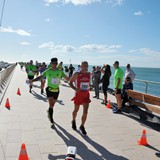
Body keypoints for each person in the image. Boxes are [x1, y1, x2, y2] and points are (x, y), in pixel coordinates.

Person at [30, 58, 69, 127]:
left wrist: (75, 80)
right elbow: (41, 77)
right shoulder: (48, 71)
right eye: (53, 63)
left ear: (57, 64)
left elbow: (67, 78)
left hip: (56, 90)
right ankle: (51, 121)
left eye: (56, 63)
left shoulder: (60, 71)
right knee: (51, 105)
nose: (54, 65)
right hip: (49, 90)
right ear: (51, 64)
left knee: (52, 106)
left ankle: (49, 112)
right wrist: (33, 80)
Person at [69, 61, 91, 135]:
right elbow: (70, 82)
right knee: (76, 110)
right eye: (84, 66)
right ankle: (73, 120)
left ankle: (82, 126)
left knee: (85, 112)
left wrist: (89, 87)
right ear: (81, 66)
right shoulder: (77, 74)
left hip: (86, 95)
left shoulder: (89, 74)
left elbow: (88, 84)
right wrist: (75, 89)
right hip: (78, 95)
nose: (85, 67)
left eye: (86, 66)